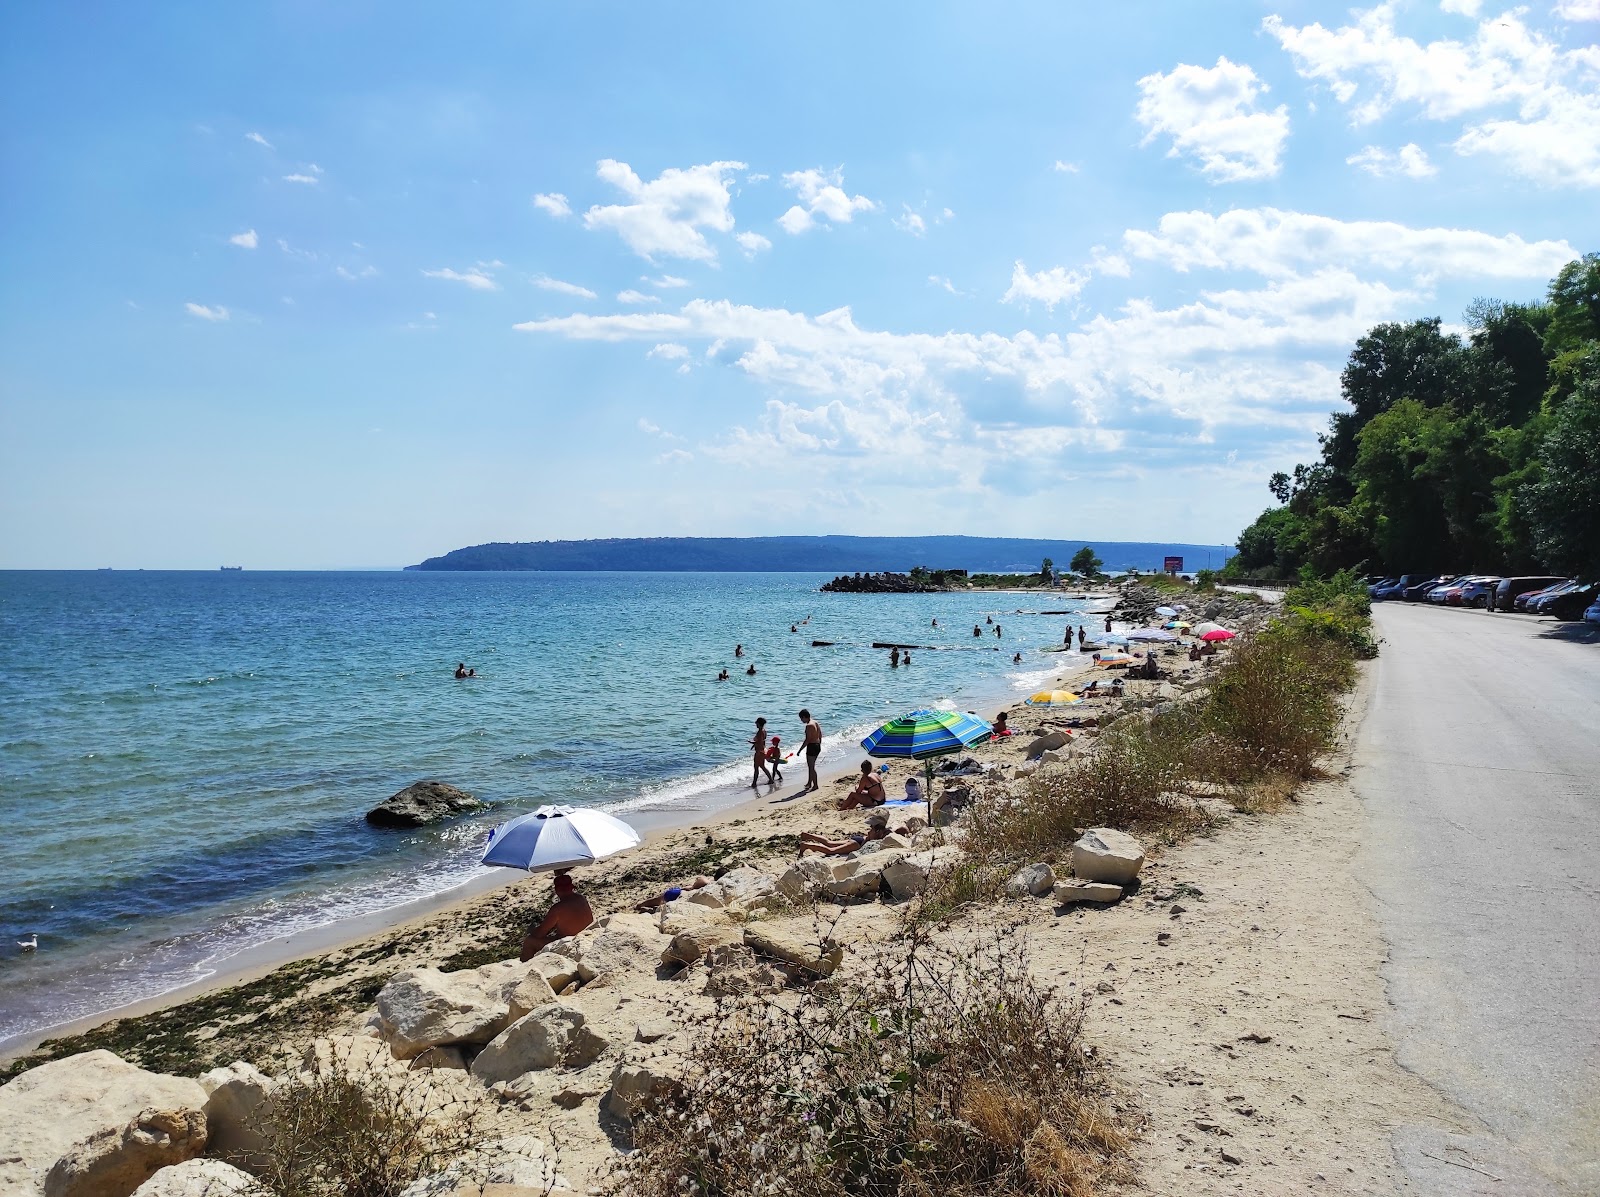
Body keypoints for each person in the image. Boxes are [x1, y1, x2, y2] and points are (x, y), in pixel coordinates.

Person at [520, 872, 593, 961]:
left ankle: (524, 968)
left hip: (569, 944)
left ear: (557, 890)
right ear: (571, 887)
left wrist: (531, 930)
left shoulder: (557, 909)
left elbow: (540, 933)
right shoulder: (581, 898)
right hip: (586, 937)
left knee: (529, 941)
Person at [634, 876, 711, 913]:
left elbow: (695, 883)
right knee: (660, 904)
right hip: (679, 894)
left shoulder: (704, 880)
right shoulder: (709, 884)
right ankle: (643, 907)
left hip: (678, 892)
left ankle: (642, 905)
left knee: (658, 900)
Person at [799, 708, 823, 794]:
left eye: (801, 718)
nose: (801, 720)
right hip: (817, 745)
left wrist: (800, 750)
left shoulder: (809, 726)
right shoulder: (815, 722)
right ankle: (809, 783)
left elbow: (807, 740)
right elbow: (820, 734)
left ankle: (815, 785)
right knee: (810, 766)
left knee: (811, 767)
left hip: (812, 746)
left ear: (804, 717)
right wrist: (819, 743)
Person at [750, 717, 773, 787]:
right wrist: (754, 744)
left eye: (756, 723)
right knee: (762, 766)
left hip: (759, 752)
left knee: (756, 767)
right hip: (762, 750)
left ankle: (754, 783)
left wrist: (752, 743)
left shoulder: (760, 732)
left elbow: (759, 742)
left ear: (759, 724)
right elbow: (762, 742)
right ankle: (771, 779)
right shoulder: (764, 731)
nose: (755, 724)